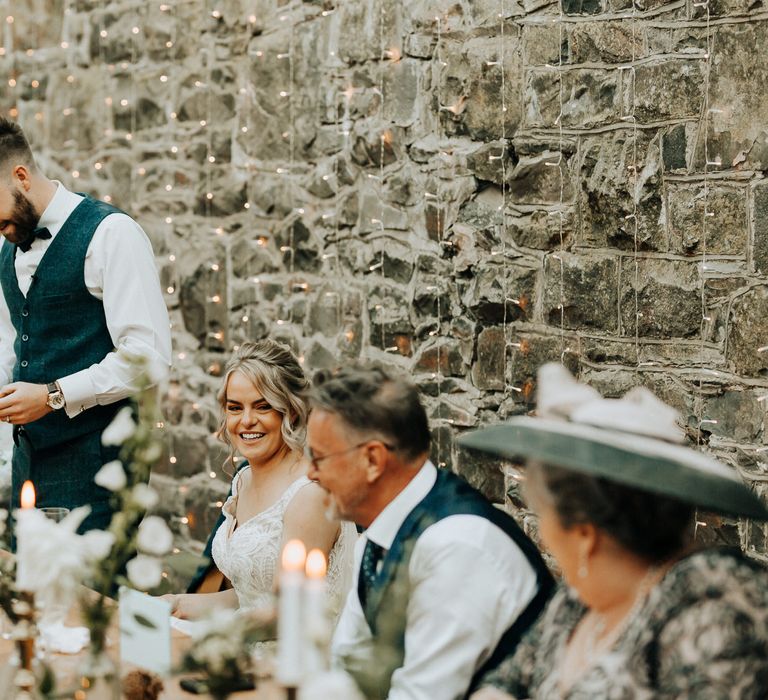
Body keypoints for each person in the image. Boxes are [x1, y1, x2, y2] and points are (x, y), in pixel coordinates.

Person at [463, 363, 768, 700]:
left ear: (584, 534)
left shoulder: (718, 611)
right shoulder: (576, 599)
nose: (543, 534)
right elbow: (509, 679)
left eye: (542, 515)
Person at [305, 364, 554, 700]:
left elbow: (422, 695)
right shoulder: (376, 539)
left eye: (319, 458)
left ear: (373, 460)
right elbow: (345, 669)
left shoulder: (457, 545)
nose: (310, 473)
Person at [0, 118, 171, 533]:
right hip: (27, 468)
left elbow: (149, 357)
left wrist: (54, 395)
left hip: (97, 474)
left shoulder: (112, 234)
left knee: (87, 598)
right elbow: (12, 342)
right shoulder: (7, 245)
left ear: (20, 176)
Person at [166, 340, 357, 619]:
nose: (246, 421)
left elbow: (288, 615)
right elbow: (250, 598)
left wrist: (212, 641)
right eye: (234, 408)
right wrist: (177, 603)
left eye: (262, 406)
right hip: (249, 636)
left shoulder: (310, 494)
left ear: (290, 410)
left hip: (299, 653)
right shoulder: (243, 478)